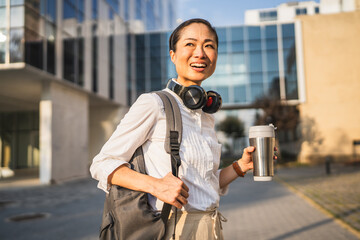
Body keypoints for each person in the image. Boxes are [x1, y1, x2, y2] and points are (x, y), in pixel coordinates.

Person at [90, 18, 275, 240]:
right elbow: (102, 163)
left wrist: (239, 167)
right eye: (190, 44)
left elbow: (204, 186)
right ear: (173, 55)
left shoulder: (205, 116)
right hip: (171, 229)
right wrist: (155, 186)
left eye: (209, 45)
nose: (200, 53)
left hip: (211, 227)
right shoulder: (154, 103)